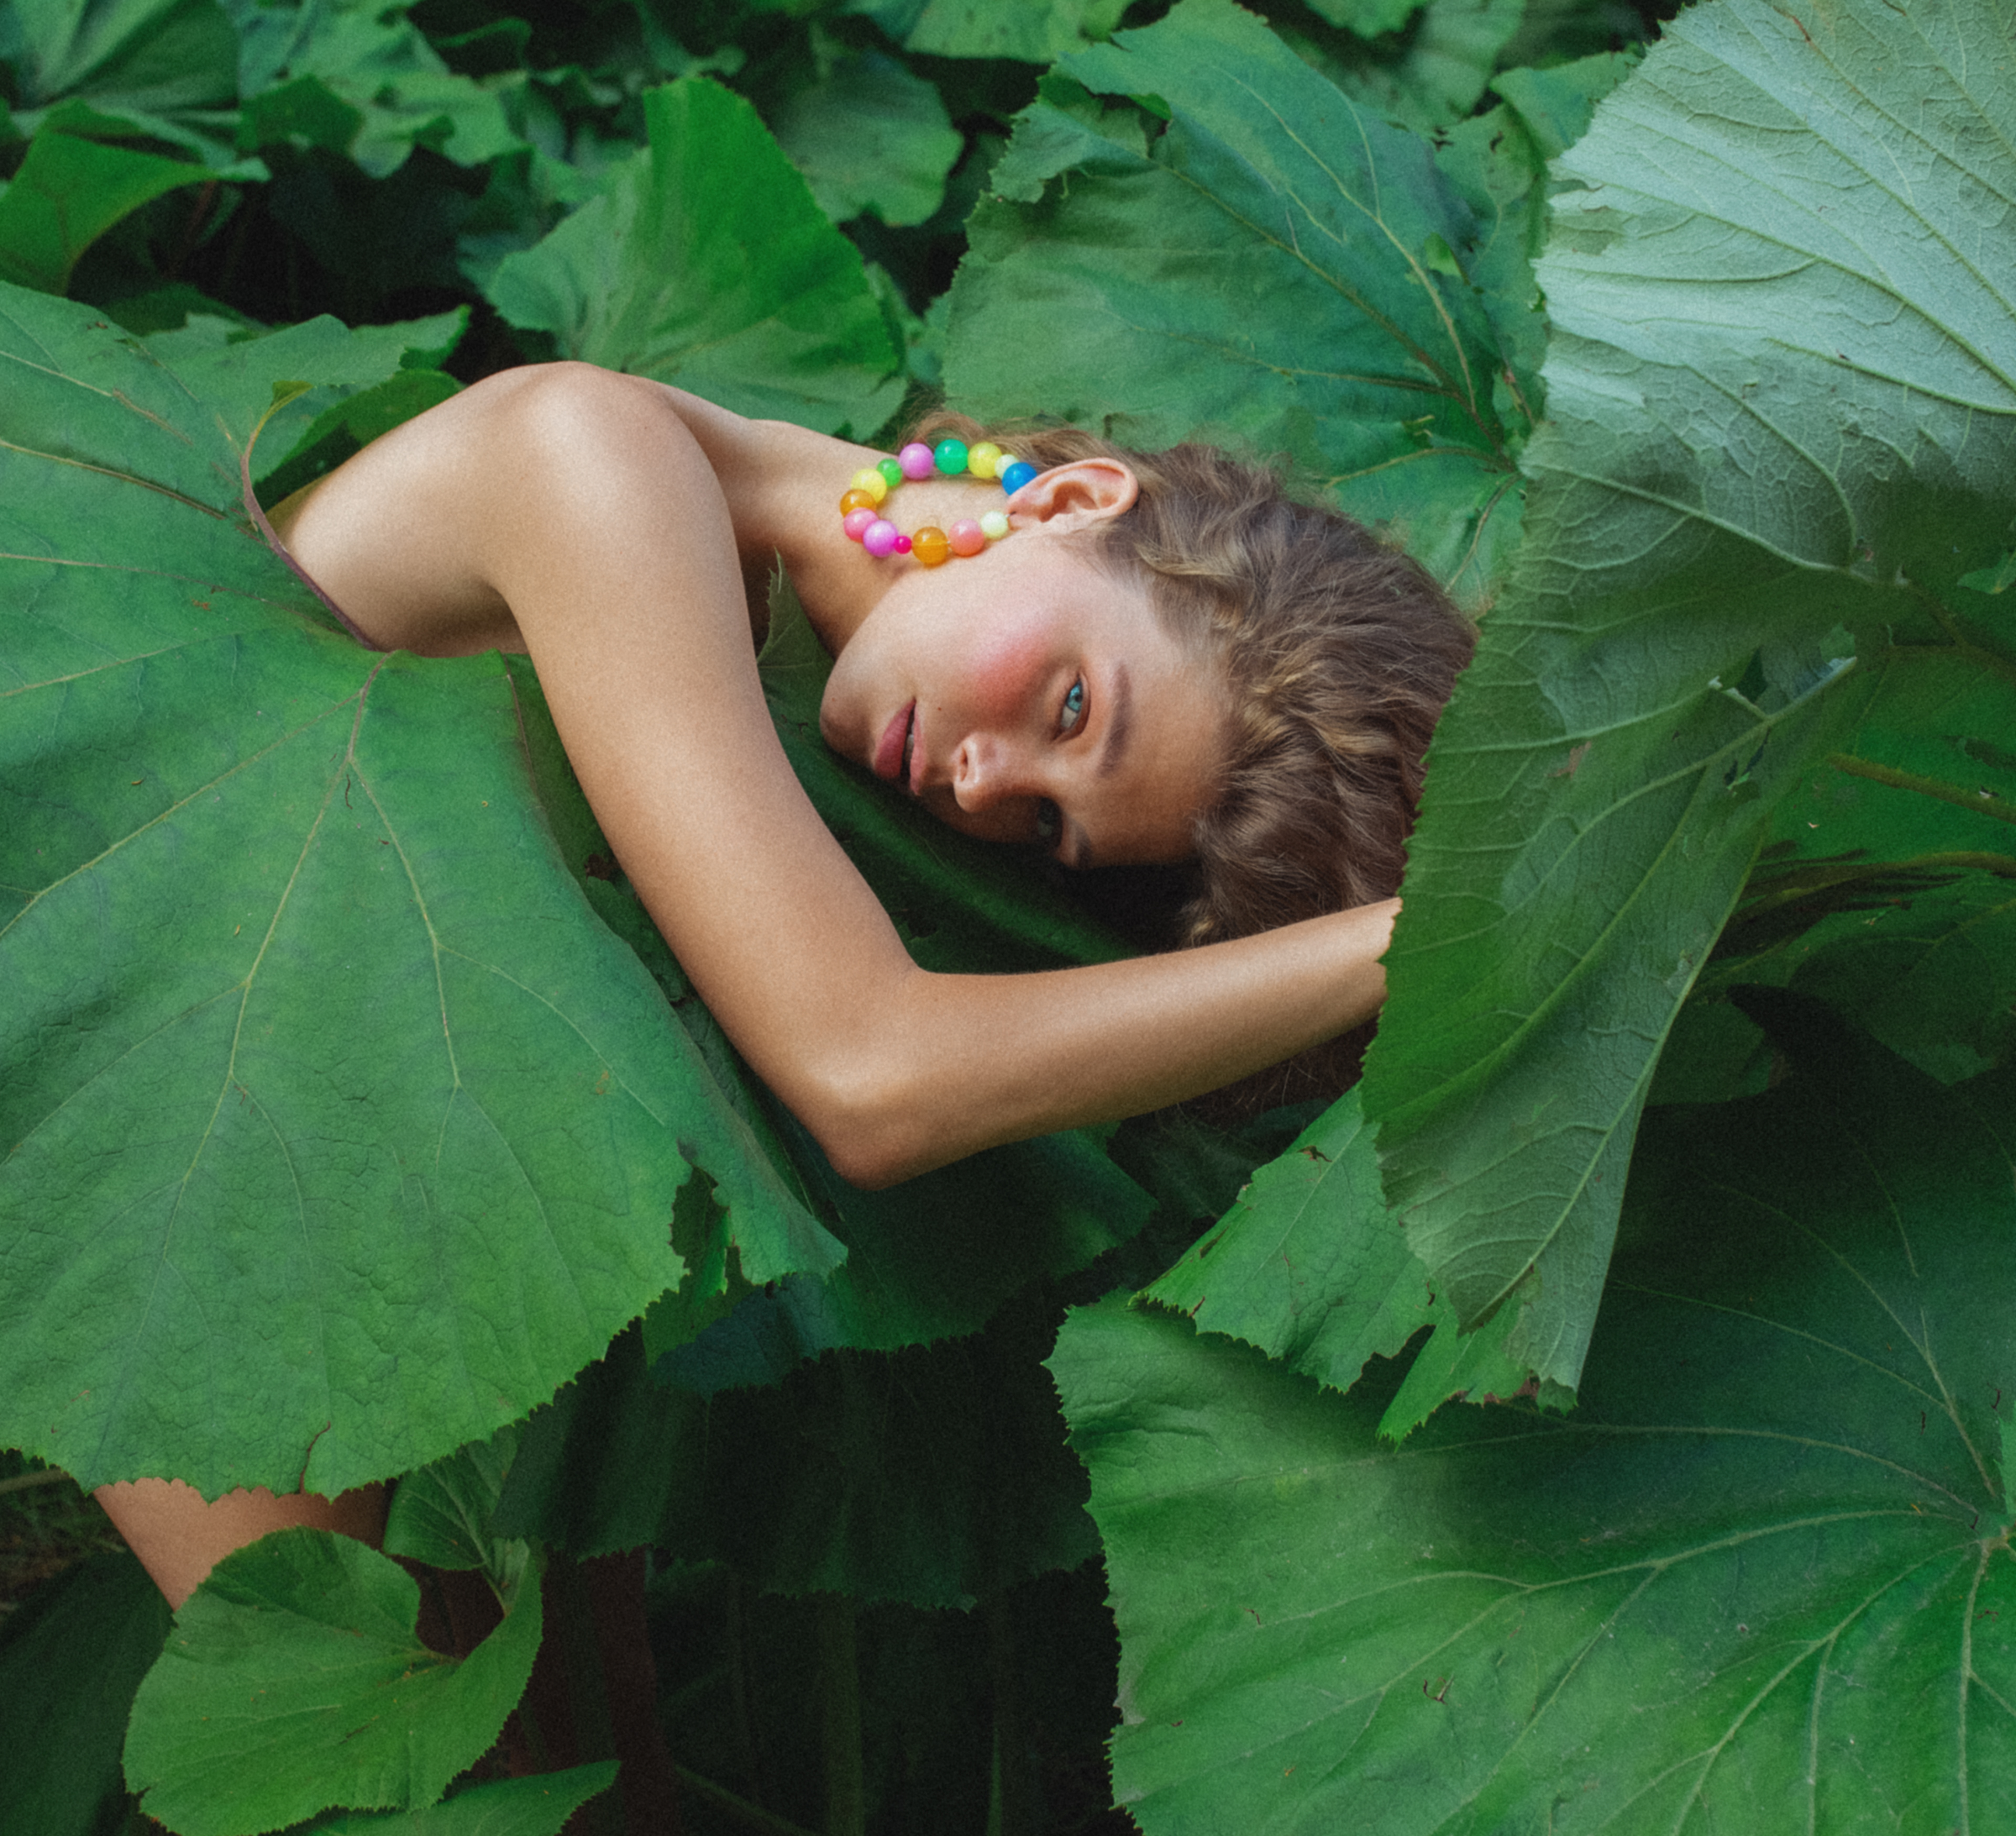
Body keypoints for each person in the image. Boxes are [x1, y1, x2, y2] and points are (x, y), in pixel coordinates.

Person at [96, 359, 1474, 1606]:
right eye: (1072, 709)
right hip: (125, 1079)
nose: (987, 784)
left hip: (317, 1112)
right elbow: (871, 1079)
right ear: (1070, 498)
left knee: (531, 1730)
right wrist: (1422, 935)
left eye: (1053, 827)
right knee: (366, 1741)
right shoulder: (596, 463)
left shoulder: (817, 563)